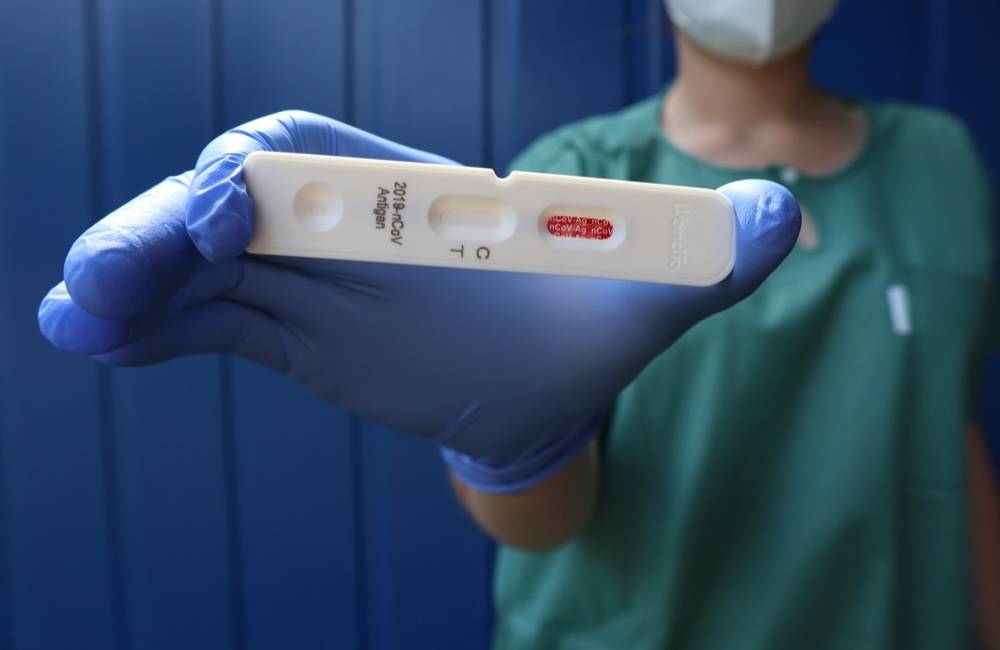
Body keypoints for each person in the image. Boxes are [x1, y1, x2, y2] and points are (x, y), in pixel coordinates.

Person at [37, 0, 998, 647]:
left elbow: (945, 427)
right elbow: (545, 530)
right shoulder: (577, 173)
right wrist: (515, 444)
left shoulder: (939, 160)